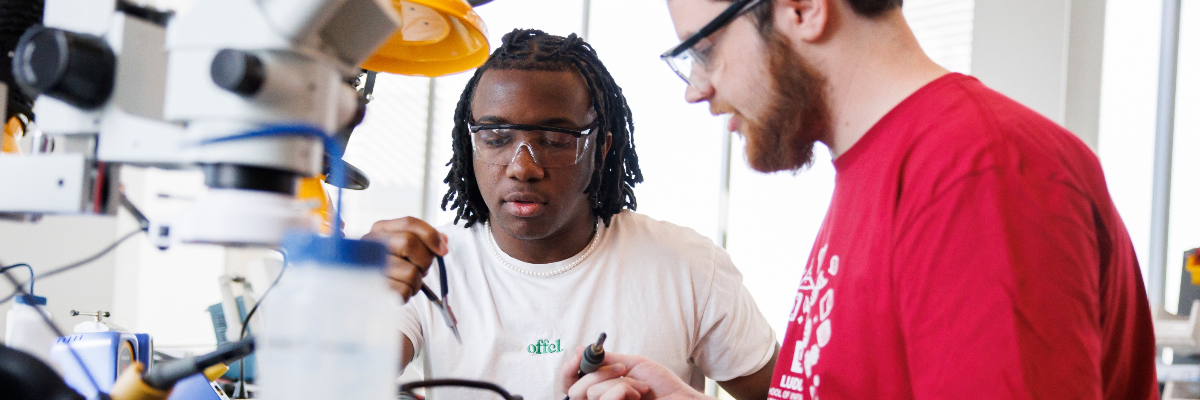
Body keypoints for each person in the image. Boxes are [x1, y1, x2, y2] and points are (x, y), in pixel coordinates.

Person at [561, 0, 1159, 399]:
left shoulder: (979, 171)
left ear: (803, 7)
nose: (698, 89)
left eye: (705, 49)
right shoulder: (876, 169)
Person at [364, 29, 779, 400]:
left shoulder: (688, 266)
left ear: (600, 148)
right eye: (495, 138)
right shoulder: (424, 268)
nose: (522, 166)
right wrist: (344, 294)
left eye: (554, 139)